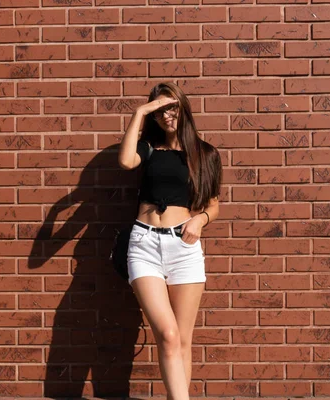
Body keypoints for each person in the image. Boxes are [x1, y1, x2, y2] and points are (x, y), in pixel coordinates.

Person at [118, 82, 222, 400]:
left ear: (184, 108)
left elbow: (213, 205)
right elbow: (125, 161)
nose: (167, 115)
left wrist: (200, 220)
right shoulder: (148, 149)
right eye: (161, 109)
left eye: (173, 107)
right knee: (168, 333)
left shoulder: (205, 154)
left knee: (183, 340)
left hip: (184, 249)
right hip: (144, 245)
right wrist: (141, 111)